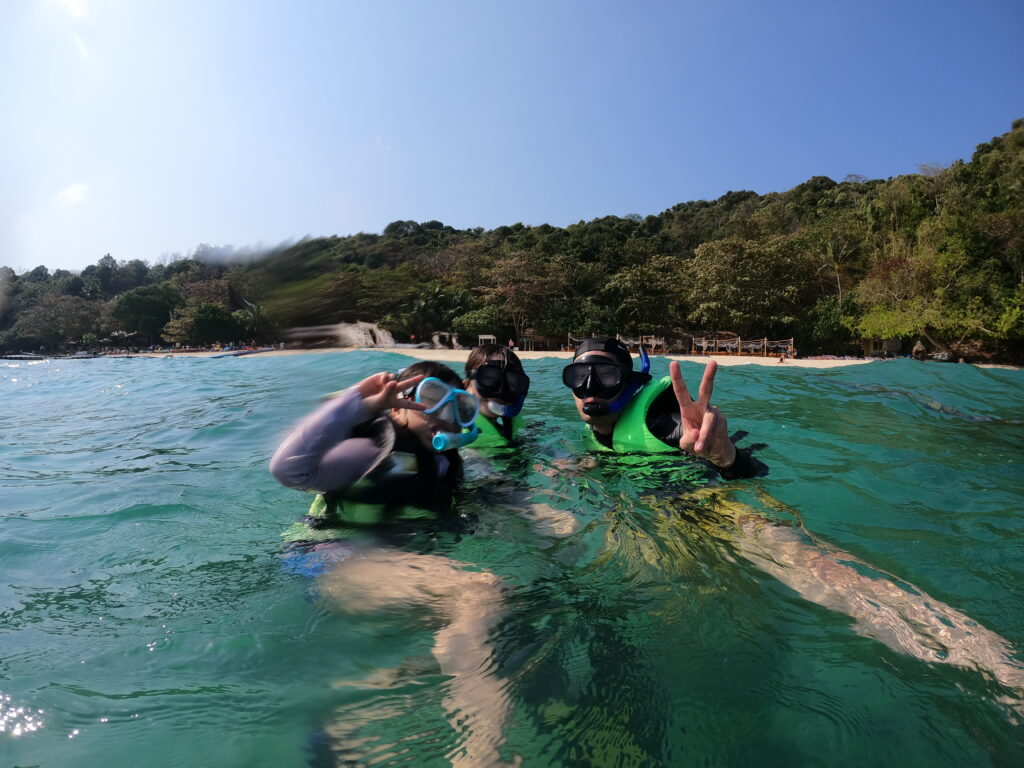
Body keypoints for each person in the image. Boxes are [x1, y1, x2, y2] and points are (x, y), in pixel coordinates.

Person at [269, 362, 517, 767]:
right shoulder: (373, 449)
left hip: (384, 567)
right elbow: (288, 469)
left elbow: (501, 491)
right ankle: (481, 754)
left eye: (458, 407)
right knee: (480, 593)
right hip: (331, 562)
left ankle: (354, 712)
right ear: (399, 405)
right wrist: (358, 406)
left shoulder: (449, 461)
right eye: (431, 400)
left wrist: (544, 512)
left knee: (507, 614)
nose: (443, 415)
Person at [561, 336, 763, 479]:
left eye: (606, 376)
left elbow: (754, 473)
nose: (589, 388)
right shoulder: (591, 432)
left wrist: (725, 456)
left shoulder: (661, 422)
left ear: (631, 385)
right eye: (578, 376)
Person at [463, 343, 530, 446]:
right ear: (467, 384)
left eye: (511, 383)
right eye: (489, 379)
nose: (500, 391)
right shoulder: (455, 433)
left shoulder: (515, 428)